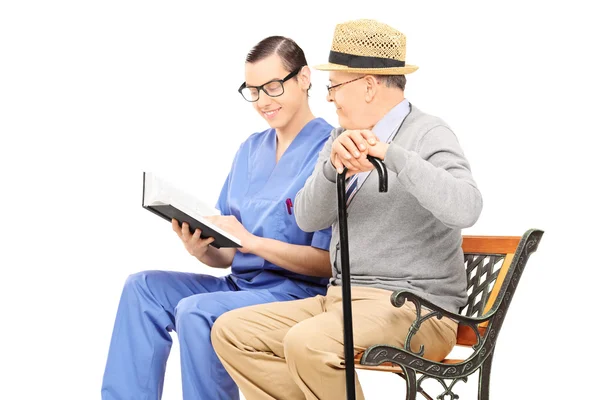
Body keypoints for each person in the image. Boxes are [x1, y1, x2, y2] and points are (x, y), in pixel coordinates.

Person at [211, 19, 484, 400]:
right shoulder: (340, 138)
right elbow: (307, 218)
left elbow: (467, 207)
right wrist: (331, 168)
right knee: (232, 332)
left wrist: (392, 155)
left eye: (334, 86)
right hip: (338, 302)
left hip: (415, 311)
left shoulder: (427, 133)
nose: (328, 98)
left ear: (369, 85)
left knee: (308, 342)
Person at [101, 36, 335, 400]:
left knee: (197, 311)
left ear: (304, 78)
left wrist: (255, 244)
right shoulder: (250, 150)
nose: (263, 101)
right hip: (239, 287)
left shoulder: (331, 151)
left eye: (273, 86)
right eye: (253, 90)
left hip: (295, 294)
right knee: (142, 287)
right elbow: (229, 251)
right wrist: (202, 249)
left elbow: (327, 264)